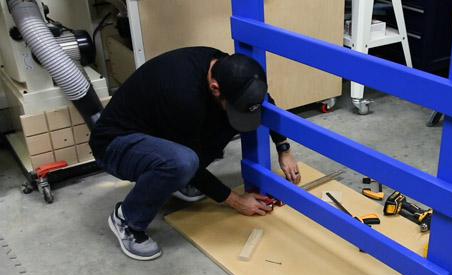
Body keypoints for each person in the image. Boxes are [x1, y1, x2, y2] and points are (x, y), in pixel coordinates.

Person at [89, 47, 301, 261]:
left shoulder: (231, 71)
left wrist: (283, 148)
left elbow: (260, 102)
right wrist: (235, 200)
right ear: (215, 88)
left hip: (158, 130)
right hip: (115, 145)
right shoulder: (183, 94)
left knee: (231, 119)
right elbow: (194, 163)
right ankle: (127, 219)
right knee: (183, 163)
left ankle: (179, 181)